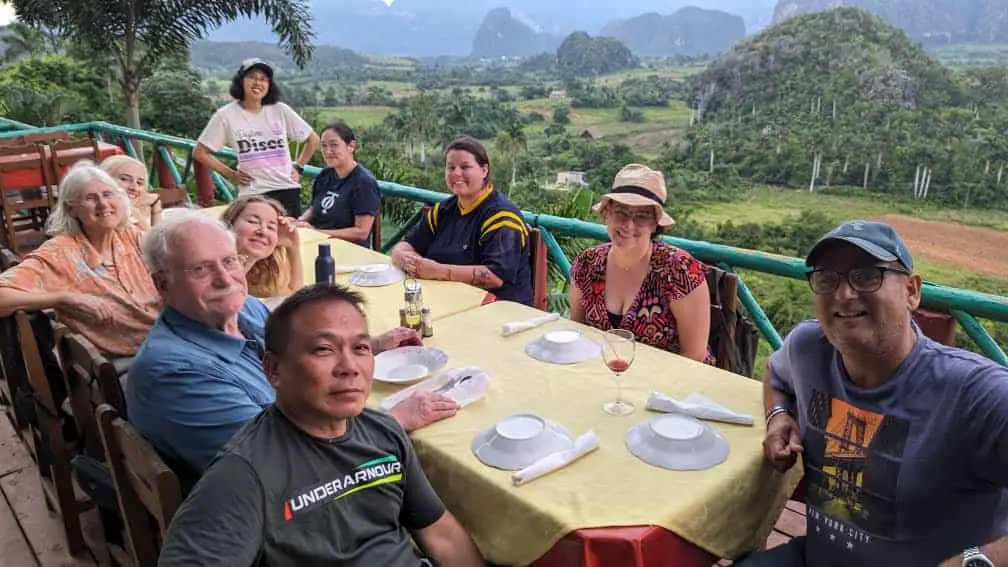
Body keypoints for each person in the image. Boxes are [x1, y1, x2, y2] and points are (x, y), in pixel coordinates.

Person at [157, 284, 486, 567]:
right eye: (324, 349)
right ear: (273, 370)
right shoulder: (245, 474)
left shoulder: (382, 432)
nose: (349, 367)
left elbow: (440, 533)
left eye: (360, 348)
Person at [746, 220, 1008, 567]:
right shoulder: (808, 347)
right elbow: (775, 375)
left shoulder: (978, 394)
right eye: (827, 278)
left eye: (867, 275)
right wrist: (778, 417)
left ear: (912, 291)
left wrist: (976, 562)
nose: (843, 293)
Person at [128, 212, 460, 473]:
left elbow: (301, 349)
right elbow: (284, 462)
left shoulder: (246, 309)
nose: (225, 278)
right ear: (162, 284)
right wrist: (396, 419)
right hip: (279, 516)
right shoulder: (174, 373)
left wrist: (372, 345)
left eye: (229, 261)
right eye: (201, 269)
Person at [0, 161, 160, 369]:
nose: (103, 204)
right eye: (91, 198)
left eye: (108, 194)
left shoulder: (131, 236)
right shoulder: (62, 252)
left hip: (166, 343)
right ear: (72, 209)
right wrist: (64, 298)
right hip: (123, 362)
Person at [569, 164, 712, 363]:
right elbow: (578, 333)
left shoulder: (679, 270)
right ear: (607, 213)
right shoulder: (587, 264)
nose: (628, 225)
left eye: (642, 216)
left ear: (655, 224)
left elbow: (694, 355)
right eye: (621, 212)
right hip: (605, 376)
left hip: (669, 384)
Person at [390, 136, 532, 305]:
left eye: (465, 167)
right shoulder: (443, 210)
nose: (456, 173)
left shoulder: (502, 218)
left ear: (484, 170)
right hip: (446, 299)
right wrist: (404, 258)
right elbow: (407, 244)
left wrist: (437, 271)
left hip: (496, 309)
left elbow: (495, 278)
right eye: (451, 167)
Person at [193, 58, 320, 217]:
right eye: (252, 77)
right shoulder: (226, 115)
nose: (258, 83)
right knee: (254, 239)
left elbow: (313, 139)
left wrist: (299, 167)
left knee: (288, 240)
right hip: (253, 192)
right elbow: (200, 152)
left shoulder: (280, 110)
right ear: (241, 81)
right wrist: (231, 174)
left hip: (286, 188)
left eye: (263, 79)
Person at [297, 120, 380, 248]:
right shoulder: (325, 175)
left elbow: (362, 232)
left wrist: (317, 233)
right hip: (318, 243)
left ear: (351, 146)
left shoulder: (364, 182)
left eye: (334, 145)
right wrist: (299, 222)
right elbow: (315, 208)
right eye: (323, 146)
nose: (328, 151)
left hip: (348, 250)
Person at [221, 195, 303, 298]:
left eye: (271, 227)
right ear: (229, 225)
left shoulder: (257, 275)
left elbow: (293, 297)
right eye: (253, 221)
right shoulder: (210, 269)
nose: (263, 231)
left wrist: (293, 246)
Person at [100, 155, 162, 231]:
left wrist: (154, 207)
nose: (134, 188)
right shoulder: (102, 212)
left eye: (139, 183)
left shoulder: (149, 204)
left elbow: (159, 239)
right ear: (104, 178)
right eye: (124, 179)